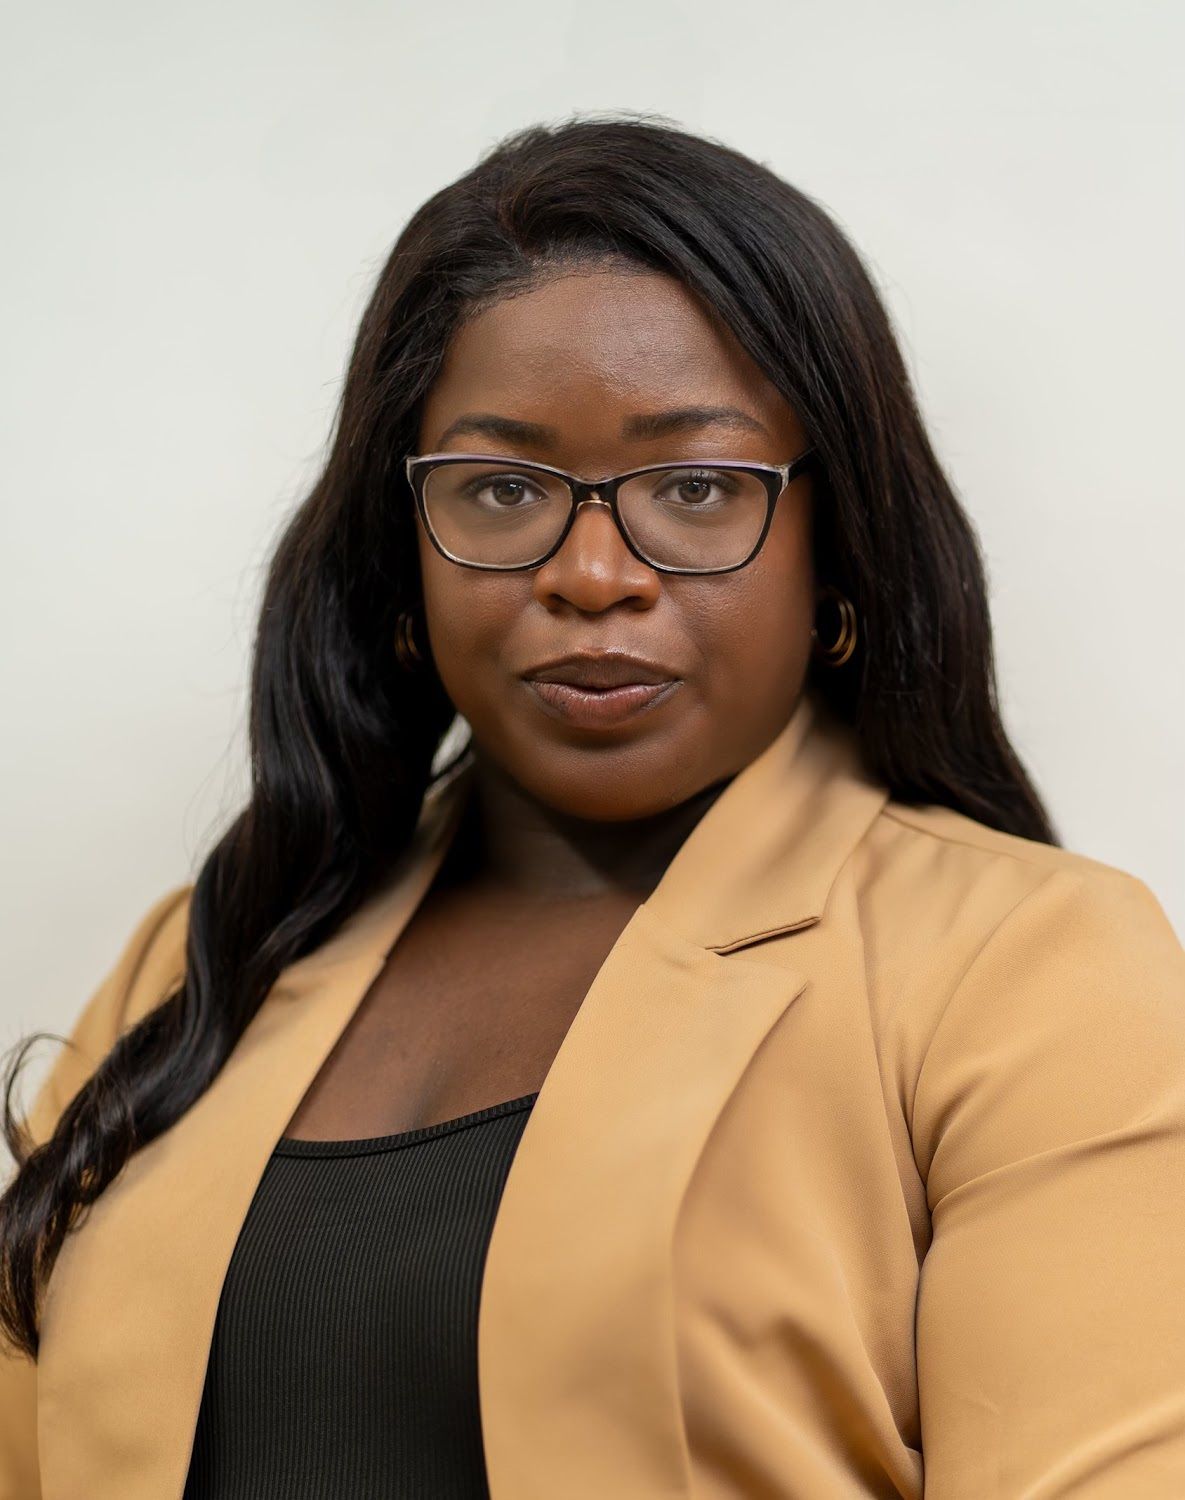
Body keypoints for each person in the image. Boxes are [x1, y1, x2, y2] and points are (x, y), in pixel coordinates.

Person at [2, 114, 1183, 1500]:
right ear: (404, 549)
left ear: (838, 547)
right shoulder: (209, 955)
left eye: (694, 485)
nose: (593, 570)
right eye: (502, 488)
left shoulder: (1026, 968)